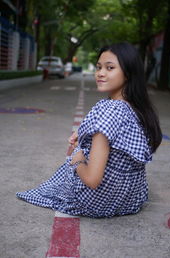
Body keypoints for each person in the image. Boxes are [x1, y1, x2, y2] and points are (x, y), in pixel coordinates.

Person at [16, 42, 162, 218]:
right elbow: (112, 132)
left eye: (110, 68)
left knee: (75, 157)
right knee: (84, 146)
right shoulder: (136, 107)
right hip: (130, 200)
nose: (100, 73)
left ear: (128, 73)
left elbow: (93, 180)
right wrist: (83, 133)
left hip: (98, 202)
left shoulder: (110, 112)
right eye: (99, 67)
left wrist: (77, 161)